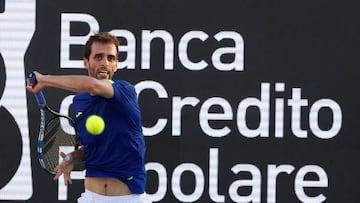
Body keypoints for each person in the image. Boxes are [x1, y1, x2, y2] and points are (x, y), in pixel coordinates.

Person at [26, 32, 151, 203]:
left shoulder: (126, 91)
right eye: (98, 57)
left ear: (116, 65)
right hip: (91, 197)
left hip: (129, 198)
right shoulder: (80, 101)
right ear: (86, 62)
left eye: (111, 58)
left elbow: (90, 84)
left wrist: (45, 80)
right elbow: (92, 148)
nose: (105, 63)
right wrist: (72, 158)